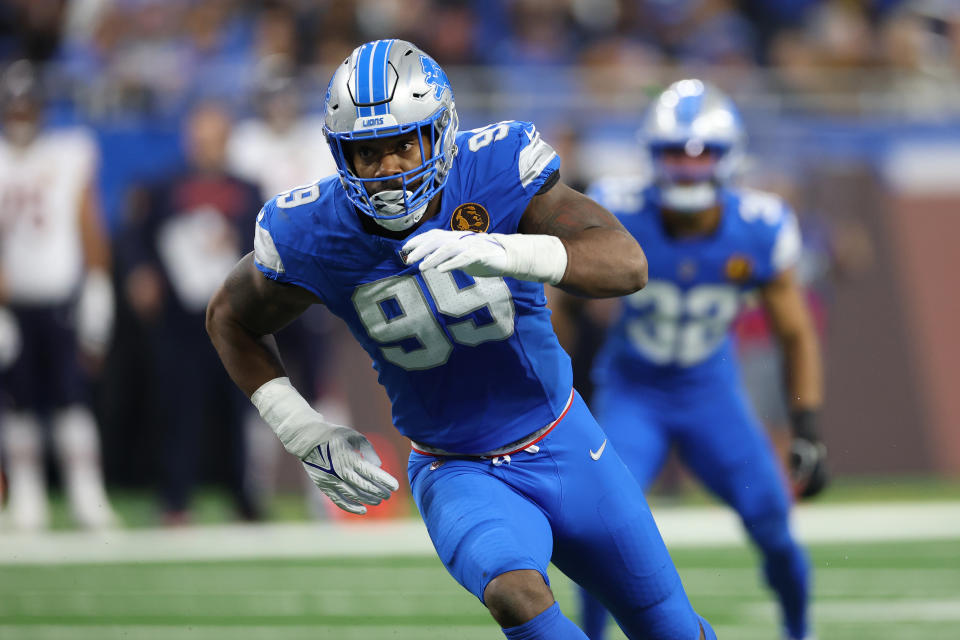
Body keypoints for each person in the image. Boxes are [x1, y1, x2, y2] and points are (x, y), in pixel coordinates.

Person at [206, 39, 715, 640]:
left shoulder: (494, 170)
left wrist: (507, 250)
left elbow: (626, 265)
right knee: (515, 593)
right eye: (367, 153)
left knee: (670, 628)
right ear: (340, 153)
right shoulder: (313, 231)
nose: (389, 167)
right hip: (456, 468)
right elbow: (229, 316)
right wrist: (302, 428)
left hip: (563, 439)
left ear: (441, 130)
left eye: (403, 144)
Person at [574, 79, 827, 640]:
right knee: (597, 534)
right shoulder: (616, 211)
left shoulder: (758, 226)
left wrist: (806, 424)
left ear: (729, 158)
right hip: (632, 390)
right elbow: (557, 302)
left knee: (776, 530)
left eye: (702, 155)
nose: (688, 170)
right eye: (674, 156)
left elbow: (795, 333)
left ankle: (799, 632)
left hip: (711, 392)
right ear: (652, 157)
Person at [121, 101, 264, 524]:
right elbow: (134, 237)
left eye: (213, 137)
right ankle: (175, 498)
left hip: (234, 317)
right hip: (180, 319)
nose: (206, 146)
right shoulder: (165, 187)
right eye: (200, 137)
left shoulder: (248, 188)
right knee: (177, 408)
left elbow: (268, 240)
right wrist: (138, 273)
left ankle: (244, 497)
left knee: (240, 409)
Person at [0, 60, 117, 530]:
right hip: (14, 301)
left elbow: (87, 220)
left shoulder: (69, 151)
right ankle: (27, 496)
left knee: (72, 399)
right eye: (15, 104)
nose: (22, 113)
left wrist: (97, 286)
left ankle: (87, 495)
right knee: (18, 403)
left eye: (29, 104)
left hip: (61, 295)